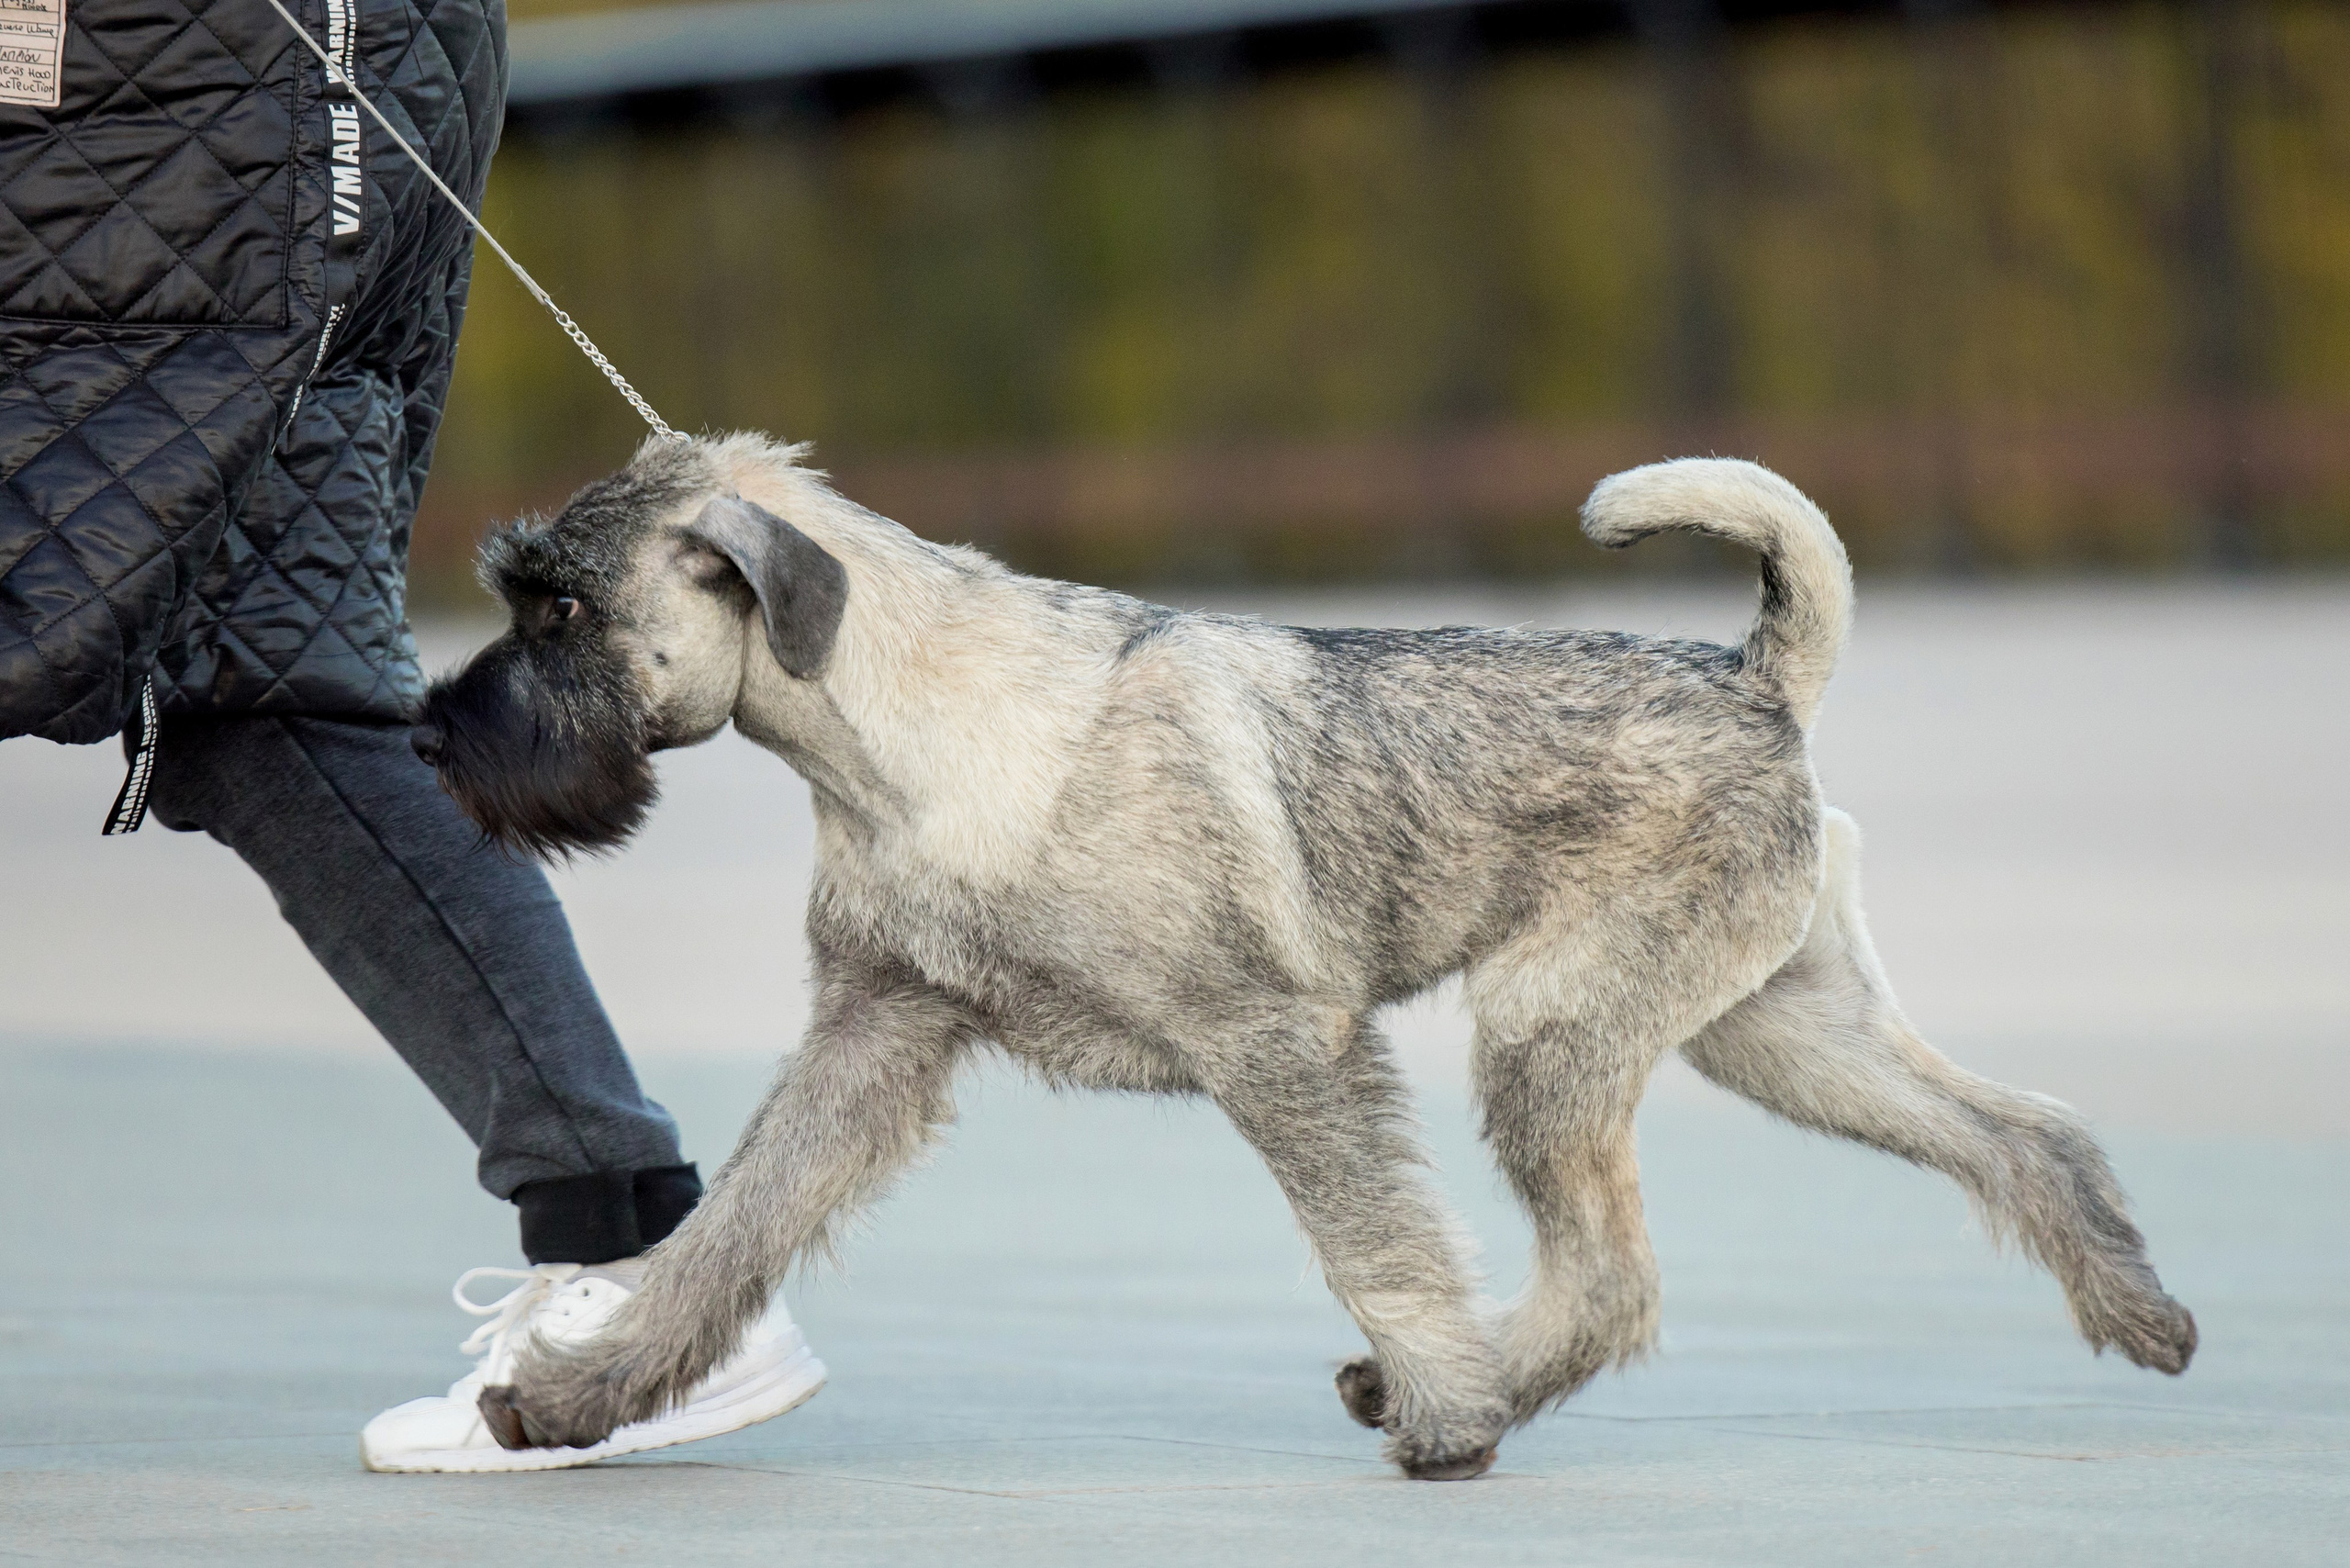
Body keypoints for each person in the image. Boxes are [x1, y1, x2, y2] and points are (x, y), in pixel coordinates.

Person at [0, 0, 821, 1471]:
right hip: (289, 70)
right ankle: (641, 1269)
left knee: (278, 690)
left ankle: (643, 1278)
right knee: (274, 702)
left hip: (176, 81)